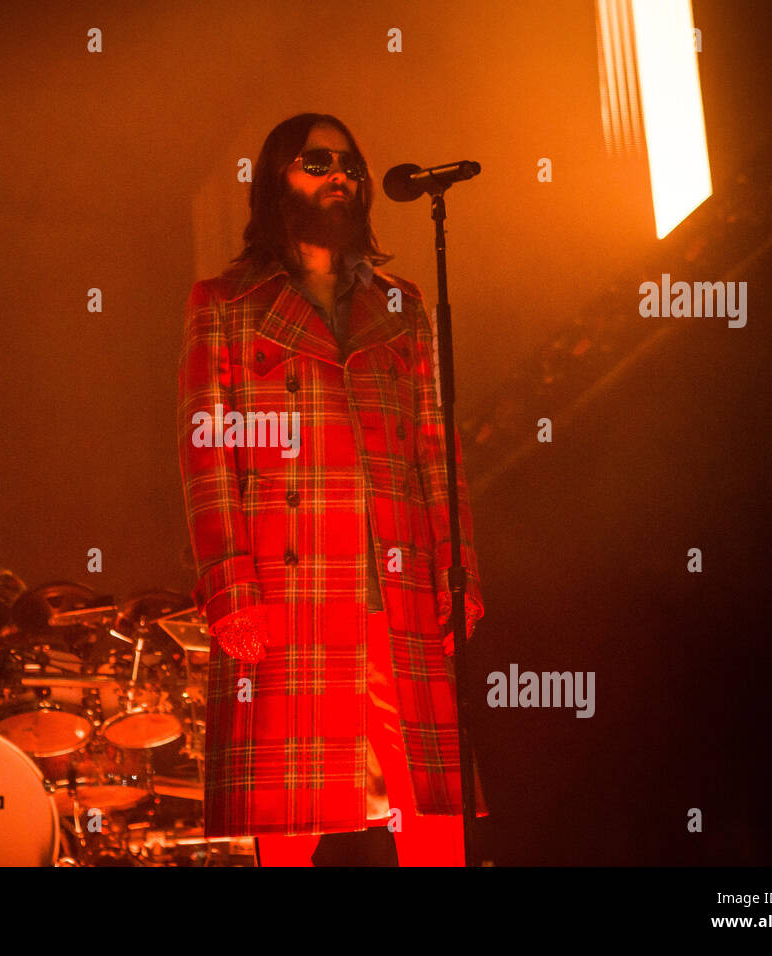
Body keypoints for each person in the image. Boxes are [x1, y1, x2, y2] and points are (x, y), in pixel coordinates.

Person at [177, 113, 486, 866]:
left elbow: (435, 447)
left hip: (398, 578)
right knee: (290, 815)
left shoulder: (402, 305)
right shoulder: (224, 303)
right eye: (317, 162)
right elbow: (205, 450)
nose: (339, 176)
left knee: (431, 807)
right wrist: (227, 582)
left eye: (349, 164)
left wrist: (460, 568)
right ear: (277, 178)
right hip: (287, 585)